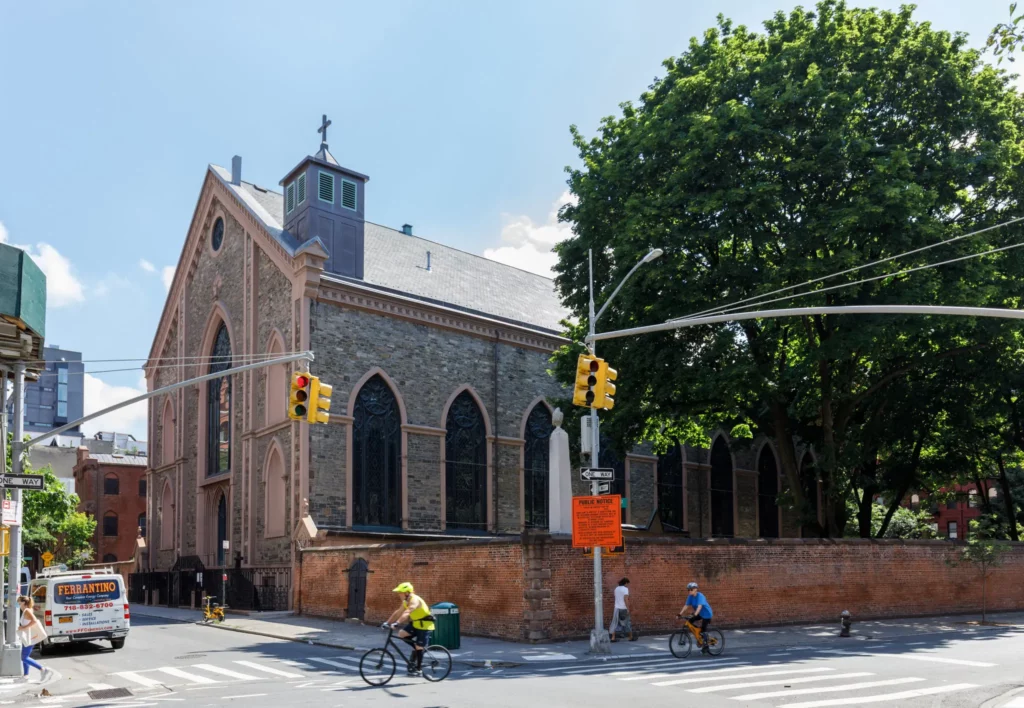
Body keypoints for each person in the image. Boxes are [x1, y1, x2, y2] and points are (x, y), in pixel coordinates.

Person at [384, 582, 435, 676]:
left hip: (425, 625)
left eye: (400, 592)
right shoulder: (406, 601)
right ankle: (417, 649)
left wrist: (397, 623)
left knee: (419, 647)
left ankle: (418, 669)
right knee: (401, 634)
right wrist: (387, 622)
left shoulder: (415, 600)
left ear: (407, 592)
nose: (399, 594)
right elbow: (398, 612)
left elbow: (408, 612)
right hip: (416, 623)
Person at [17, 597, 51, 681]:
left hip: (30, 637)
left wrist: (23, 627)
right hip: (29, 637)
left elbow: (34, 621)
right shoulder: (27, 610)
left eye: (19, 602)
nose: (18, 604)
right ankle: (26, 676)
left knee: (24, 657)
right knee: (25, 656)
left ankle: (42, 669)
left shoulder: (27, 611)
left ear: (23, 603)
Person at [678, 582, 713, 654]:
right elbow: (686, 606)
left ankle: (706, 646)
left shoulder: (700, 596)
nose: (689, 591)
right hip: (699, 613)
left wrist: (695, 614)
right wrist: (679, 614)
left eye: (691, 589)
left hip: (706, 614)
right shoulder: (690, 596)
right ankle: (698, 632)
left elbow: (700, 607)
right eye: (688, 590)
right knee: (689, 621)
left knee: (703, 630)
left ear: (695, 589)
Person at [610, 578, 635, 642]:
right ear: (625, 583)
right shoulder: (625, 589)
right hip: (623, 608)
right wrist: (628, 609)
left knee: (615, 622)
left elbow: (616, 597)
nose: (627, 585)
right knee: (627, 622)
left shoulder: (616, 589)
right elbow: (626, 599)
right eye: (627, 584)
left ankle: (613, 638)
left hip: (616, 608)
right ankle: (630, 637)